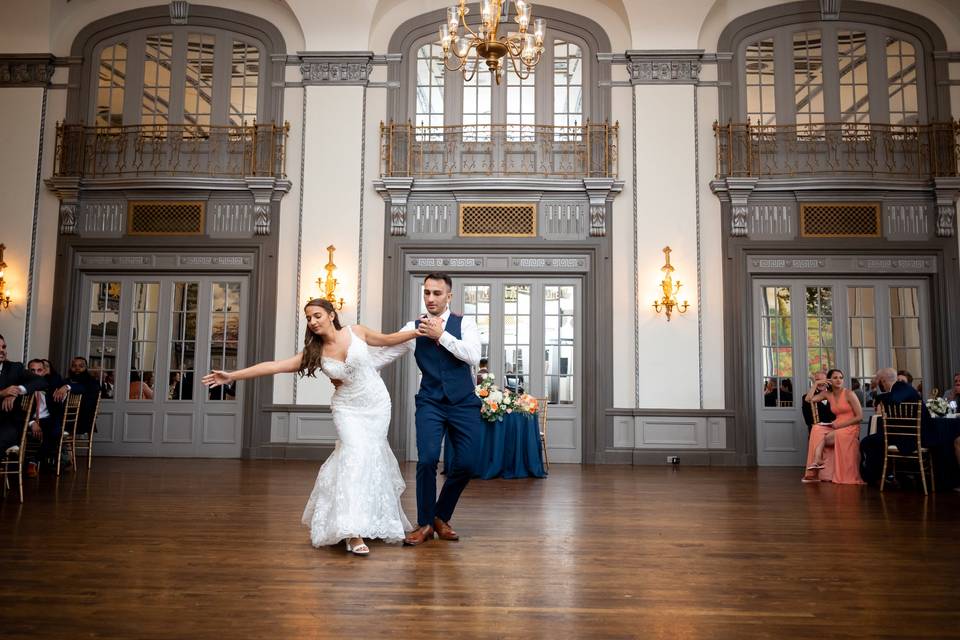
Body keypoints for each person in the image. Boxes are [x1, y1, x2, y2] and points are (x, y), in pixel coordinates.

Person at [202, 298, 418, 555]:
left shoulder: (356, 331)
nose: (312, 322)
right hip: (347, 409)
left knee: (370, 459)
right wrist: (232, 376)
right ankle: (352, 532)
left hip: (377, 404)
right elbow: (274, 366)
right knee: (353, 456)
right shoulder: (314, 353)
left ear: (331, 314)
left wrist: (416, 332)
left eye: (316, 315)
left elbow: (388, 340)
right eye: (308, 318)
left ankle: (369, 519)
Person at [387, 273, 484, 546]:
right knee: (427, 459)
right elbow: (387, 351)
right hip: (430, 402)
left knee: (467, 464)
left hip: (464, 403)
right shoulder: (413, 326)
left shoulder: (466, 323)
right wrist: (352, 364)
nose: (430, 298)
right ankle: (426, 523)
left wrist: (441, 336)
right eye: (427, 292)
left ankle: (441, 515)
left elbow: (473, 356)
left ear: (449, 296)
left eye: (437, 293)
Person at [801, 368, 864, 484]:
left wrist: (840, 424)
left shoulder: (849, 394)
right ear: (829, 381)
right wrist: (816, 384)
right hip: (837, 425)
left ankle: (817, 460)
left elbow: (860, 417)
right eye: (835, 378)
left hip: (850, 426)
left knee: (826, 438)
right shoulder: (828, 394)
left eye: (841, 378)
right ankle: (817, 465)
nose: (839, 380)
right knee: (817, 430)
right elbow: (808, 399)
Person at [0, 334, 48, 453]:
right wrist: (2, 393)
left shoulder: (14, 368)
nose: (2, 350)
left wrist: (17, 390)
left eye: (4, 347)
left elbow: (41, 381)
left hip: (8, 423)